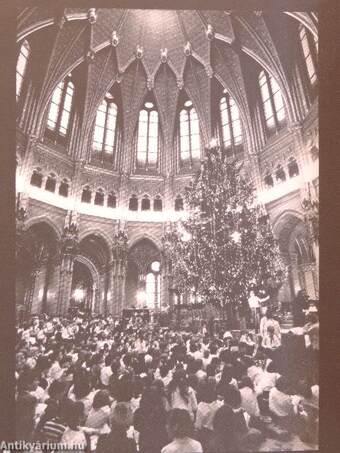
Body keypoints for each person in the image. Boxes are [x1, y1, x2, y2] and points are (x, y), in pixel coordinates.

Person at [133, 386, 168, 453]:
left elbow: (136, 426)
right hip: (160, 439)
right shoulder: (162, 411)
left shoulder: (139, 412)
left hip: (145, 440)